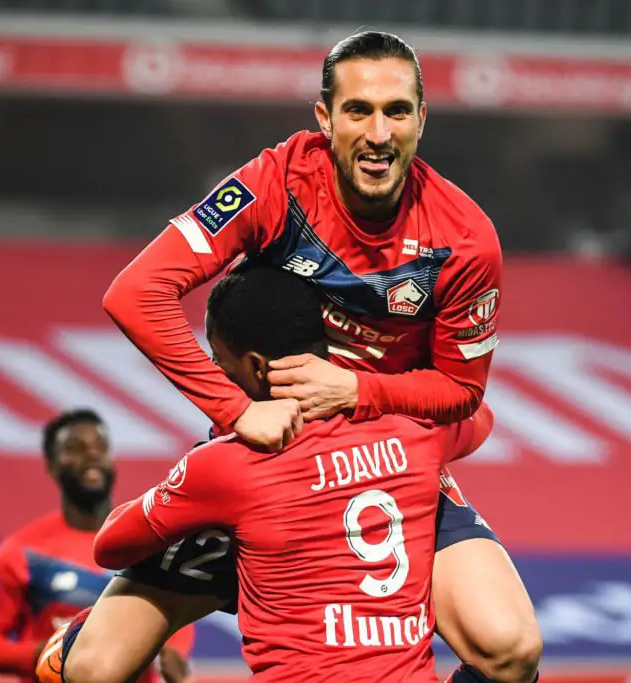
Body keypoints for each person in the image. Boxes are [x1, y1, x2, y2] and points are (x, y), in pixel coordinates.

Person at [100, 30, 542, 683]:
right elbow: (137, 292)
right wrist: (234, 411)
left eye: (396, 112)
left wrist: (356, 391)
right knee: (93, 667)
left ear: (421, 119)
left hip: (383, 462)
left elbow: (462, 393)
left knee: (511, 649)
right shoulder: (275, 184)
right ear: (325, 118)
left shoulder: (465, 239)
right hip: (269, 463)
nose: (379, 133)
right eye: (358, 110)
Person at [66, 267, 496, 682]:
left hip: (235, 532)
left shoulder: (227, 463)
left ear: (257, 367)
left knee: (81, 665)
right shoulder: (415, 434)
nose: (215, 371)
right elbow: (477, 417)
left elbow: (110, 546)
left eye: (218, 358)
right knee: (509, 655)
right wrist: (369, 395)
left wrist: (181, 486)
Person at [0, 409, 194, 683]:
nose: (92, 454)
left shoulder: (149, 538)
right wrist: (56, 654)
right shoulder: (21, 552)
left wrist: (174, 652)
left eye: (100, 446)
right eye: (75, 448)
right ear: (52, 466)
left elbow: (177, 610)